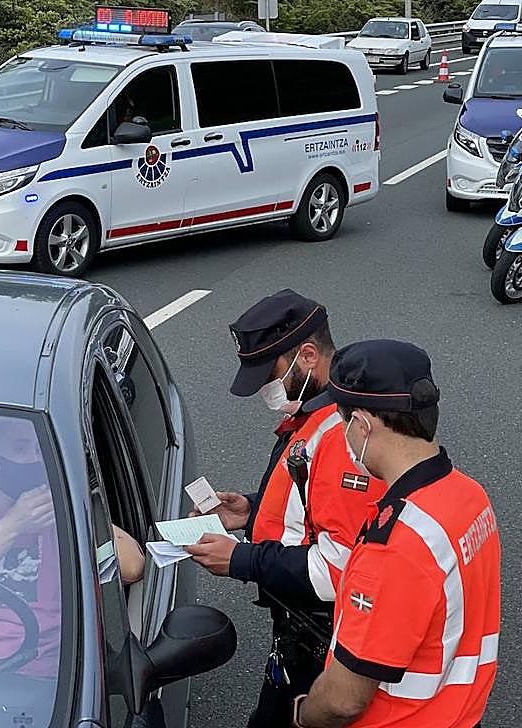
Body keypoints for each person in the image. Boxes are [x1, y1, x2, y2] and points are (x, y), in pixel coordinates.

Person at [184, 290, 386, 728]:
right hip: (299, 629)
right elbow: (315, 504)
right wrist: (251, 511)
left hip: (325, 635)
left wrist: (241, 559)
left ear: (308, 355)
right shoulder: (320, 413)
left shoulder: (342, 434)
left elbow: (339, 568)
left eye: (269, 372)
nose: (264, 387)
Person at [292, 340, 500, 728]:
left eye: (343, 422)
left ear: (363, 425)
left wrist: (303, 716)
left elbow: (343, 699)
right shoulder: (470, 496)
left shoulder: (396, 546)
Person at [0, 426, 143, 676]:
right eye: (20, 449)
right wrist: (13, 525)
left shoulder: (58, 511)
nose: (34, 459)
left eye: (38, 449)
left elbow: (132, 567)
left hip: (55, 676)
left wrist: (77, 505)